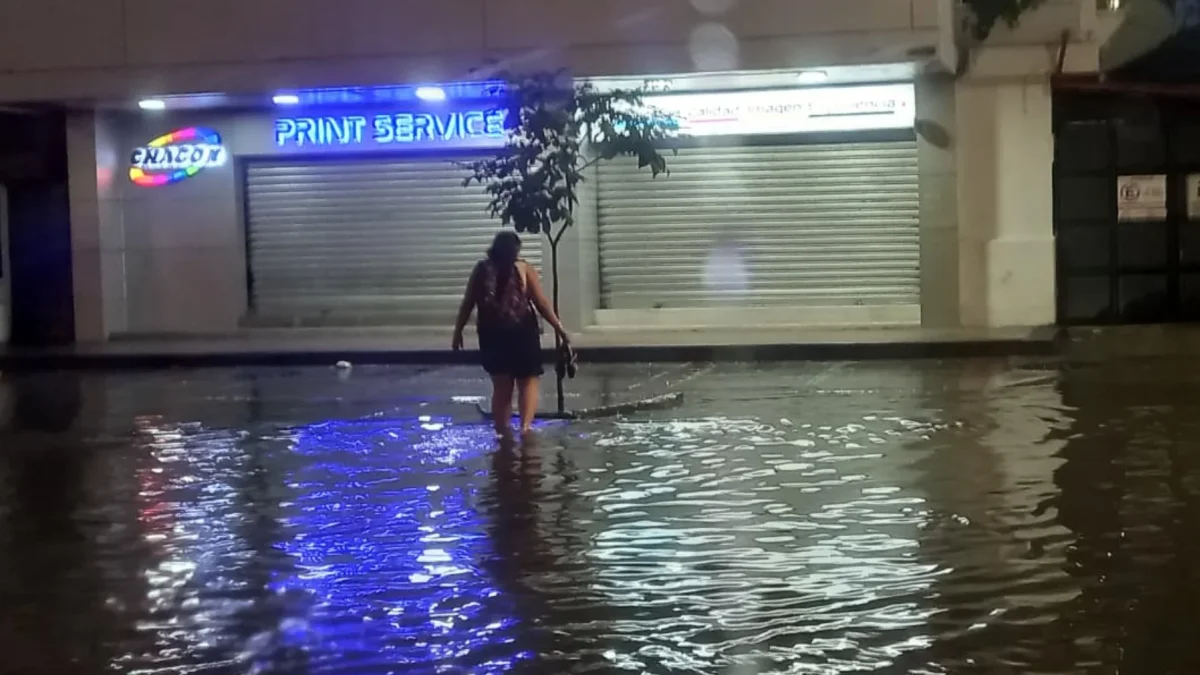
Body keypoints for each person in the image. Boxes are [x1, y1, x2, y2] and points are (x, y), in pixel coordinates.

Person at [453, 231, 570, 436]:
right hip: (523, 332)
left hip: (492, 334)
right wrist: (560, 329)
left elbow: (468, 303)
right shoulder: (523, 268)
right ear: (516, 249)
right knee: (528, 381)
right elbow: (540, 302)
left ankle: (502, 432)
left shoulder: (482, 269)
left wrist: (458, 332)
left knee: (501, 385)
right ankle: (525, 428)